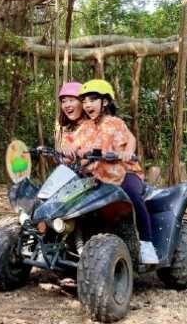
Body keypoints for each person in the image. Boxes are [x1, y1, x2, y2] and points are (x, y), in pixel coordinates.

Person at [74, 79, 159, 265]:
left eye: (92, 100)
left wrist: (127, 151)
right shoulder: (85, 127)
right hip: (97, 175)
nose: (87, 105)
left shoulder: (116, 123)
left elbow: (130, 140)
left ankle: (146, 243)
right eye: (85, 101)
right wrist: (66, 150)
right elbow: (73, 144)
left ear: (104, 102)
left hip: (123, 172)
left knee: (132, 194)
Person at [54, 82, 85, 157]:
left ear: (83, 102)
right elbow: (63, 156)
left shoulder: (95, 126)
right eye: (64, 101)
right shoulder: (68, 129)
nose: (67, 105)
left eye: (71, 100)